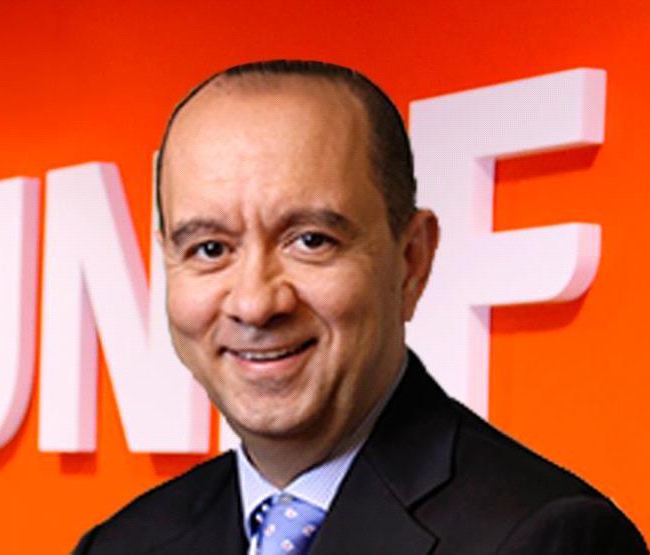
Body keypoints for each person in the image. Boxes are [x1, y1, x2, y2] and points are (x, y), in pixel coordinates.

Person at [74, 60, 646, 554]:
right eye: (210, 249)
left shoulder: (547, 539)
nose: (255, 302)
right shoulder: (120, 545)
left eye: (310, 240)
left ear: (411, 260)